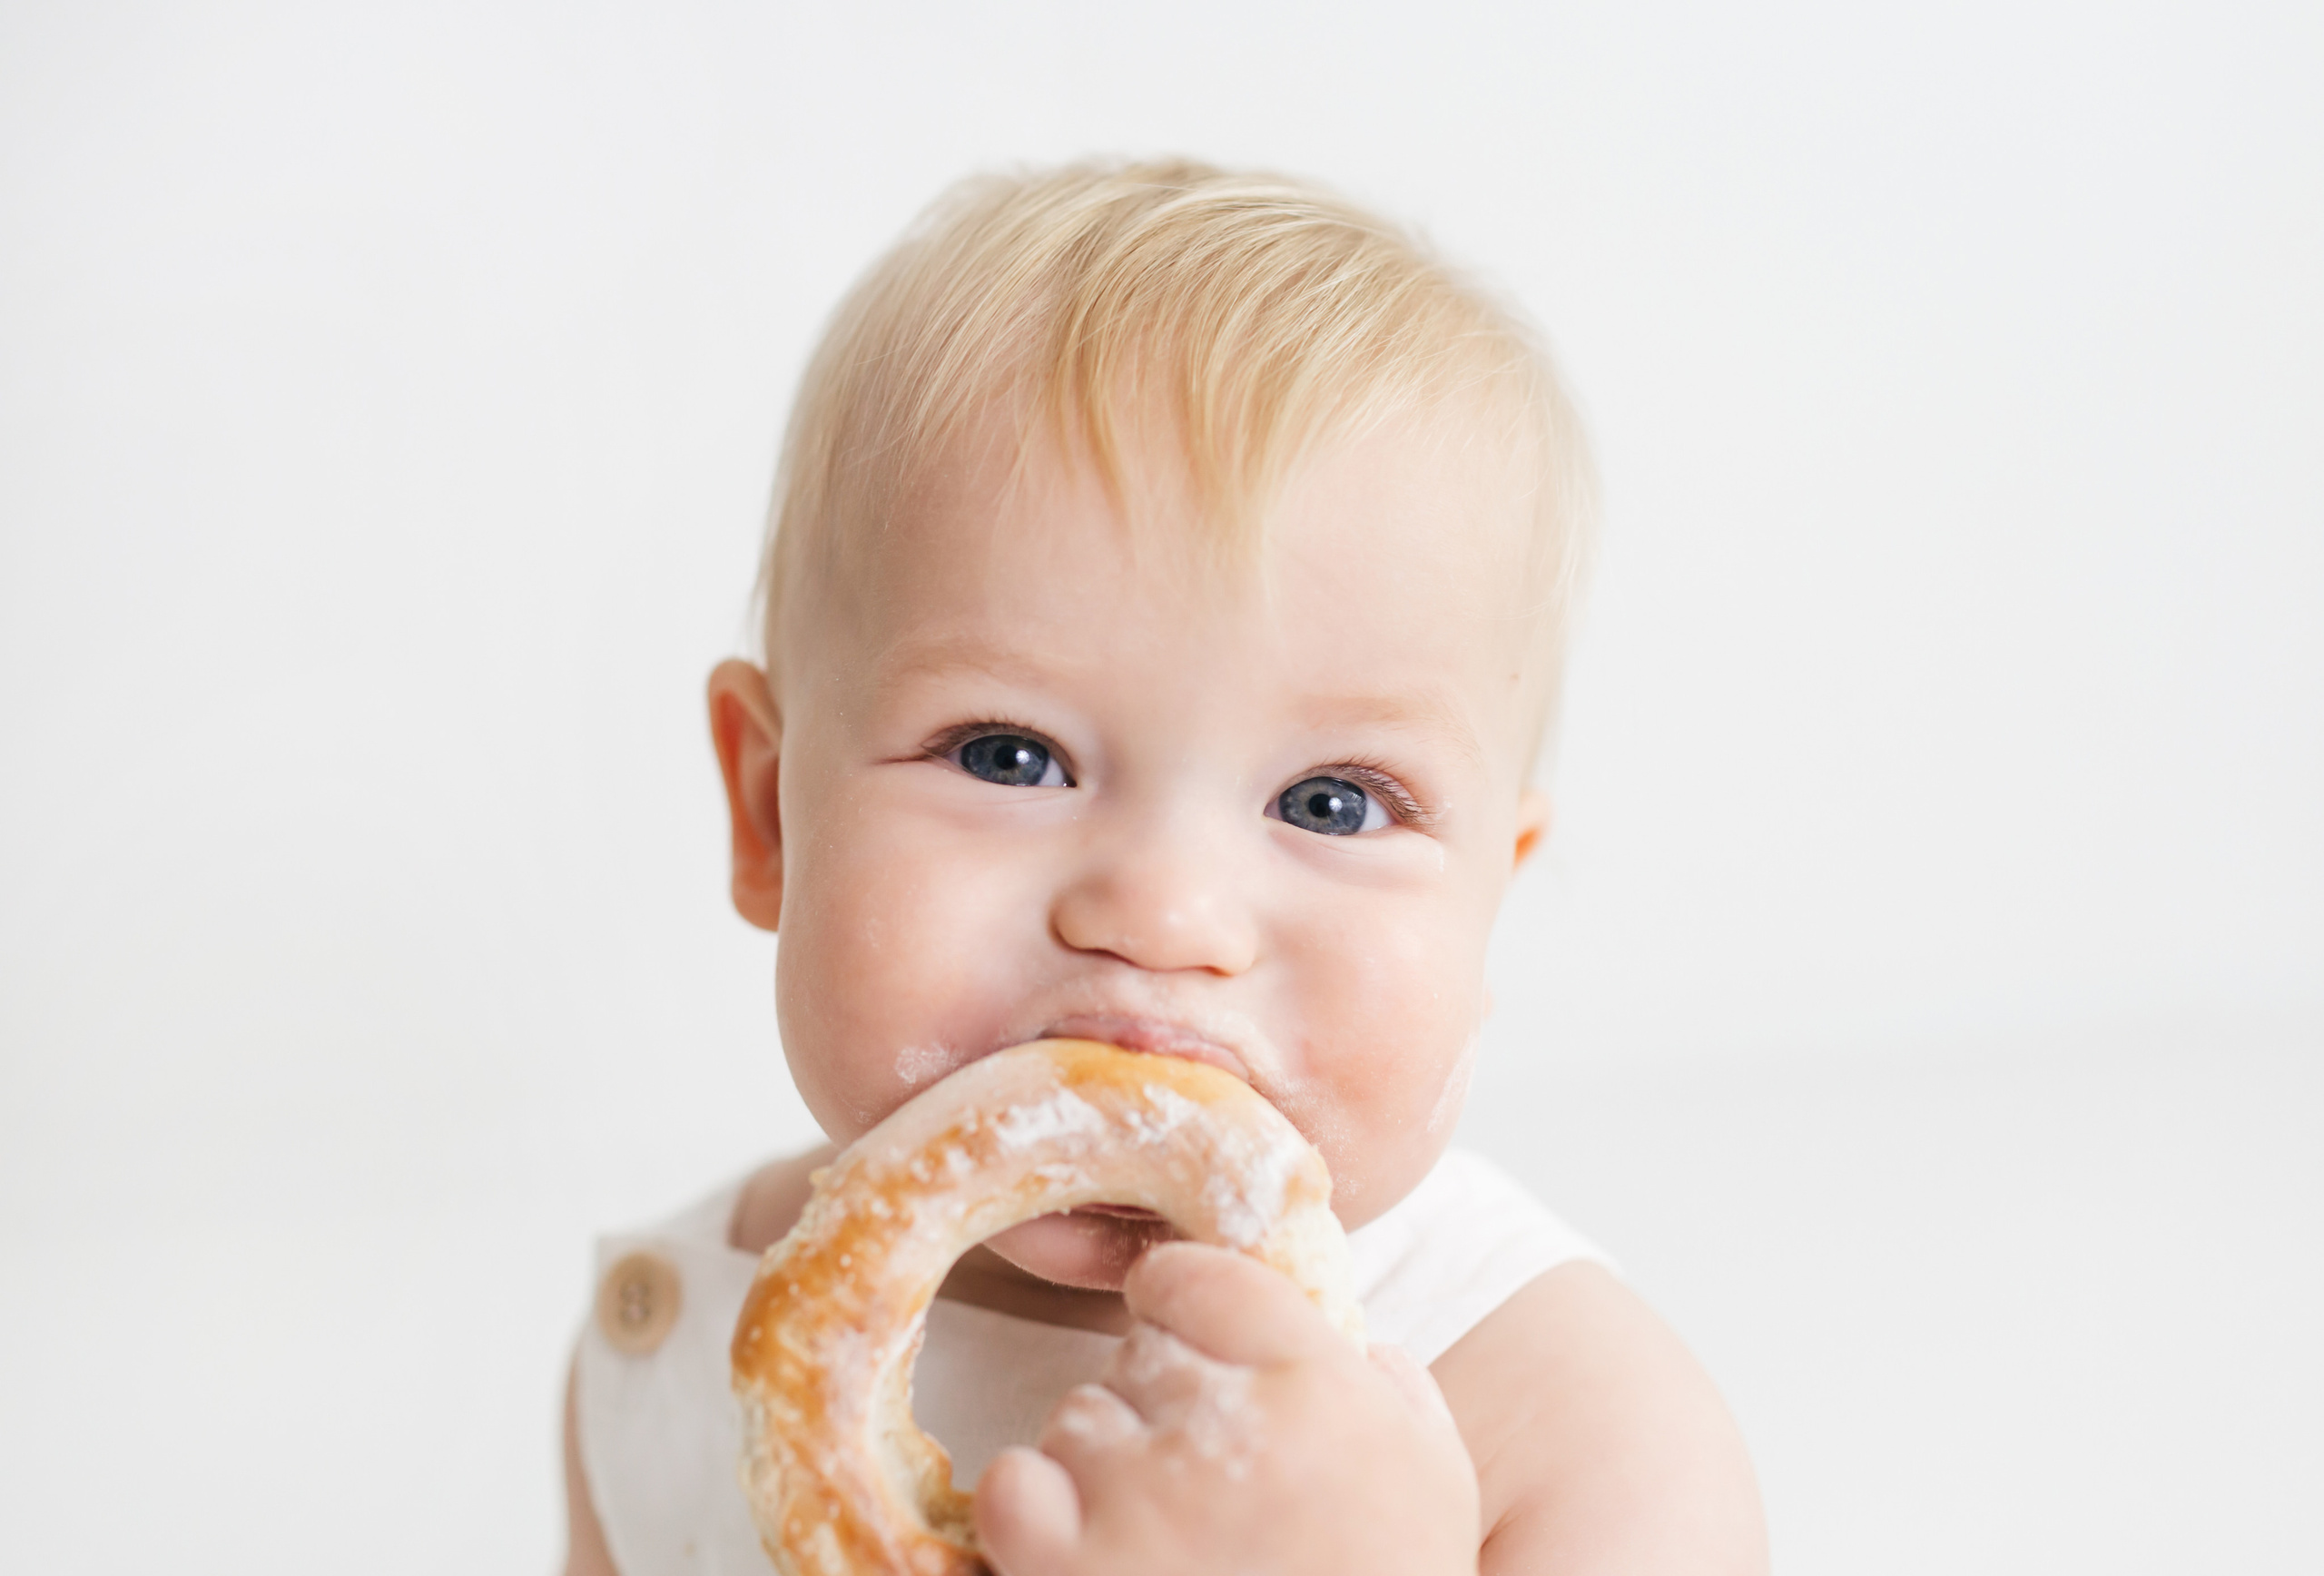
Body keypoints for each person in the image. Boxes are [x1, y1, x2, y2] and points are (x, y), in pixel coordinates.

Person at [562, 159, 1767, 1575]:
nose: (1164, 913)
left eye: (1331, 801)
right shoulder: (697, 1337)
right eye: (1010, 757)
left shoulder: (1564, 1424)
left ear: (1489, 899)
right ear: (770, 812)